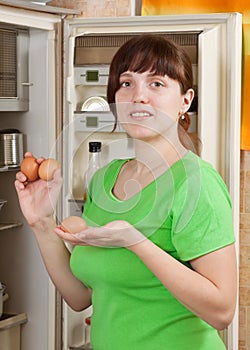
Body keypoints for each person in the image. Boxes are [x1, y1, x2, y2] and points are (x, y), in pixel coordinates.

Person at [15, 35, 237, 350]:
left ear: (185, 101)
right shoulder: (105, 179)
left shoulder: (196, 183)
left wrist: (136, 242)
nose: (138, 97)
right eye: (127, 83)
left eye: (157, 84)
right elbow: (81, 297)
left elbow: (222, 311)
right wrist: (42, 221)